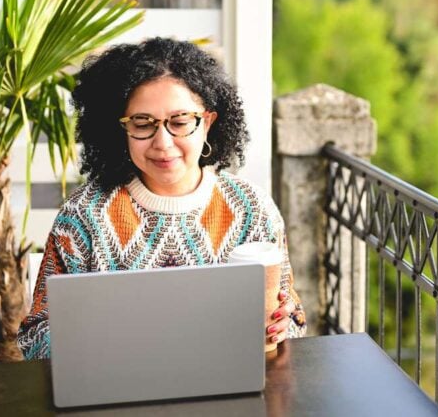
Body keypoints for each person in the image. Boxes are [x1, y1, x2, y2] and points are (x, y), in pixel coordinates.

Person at [17, 37, 306, 359]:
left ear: (207, 123)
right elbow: (36, 335)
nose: (163, 142)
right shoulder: (83, 216)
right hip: (113, 388)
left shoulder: (252, 208)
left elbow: (294, 319)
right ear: (120, 129)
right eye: (143, 124)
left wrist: (282, 326)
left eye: (180, 122)